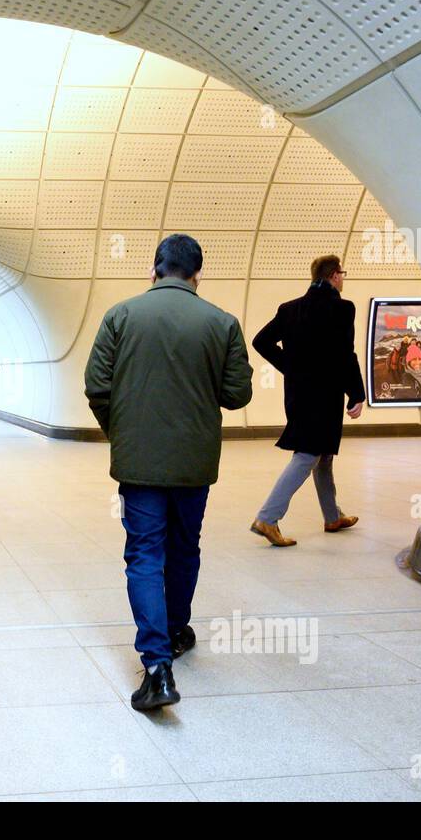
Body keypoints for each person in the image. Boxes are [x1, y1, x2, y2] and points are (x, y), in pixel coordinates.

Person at [84, 234, 252, 711]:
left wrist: (123, 432)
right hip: (194, 464)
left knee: (143, 553)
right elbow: (238, 394)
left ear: (153, 269)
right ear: (198, 273)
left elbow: (97, 385)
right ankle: (177, 629)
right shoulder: (222, 323)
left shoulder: (120, 315)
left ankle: (157, 666)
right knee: (184, 548)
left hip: (138, 465)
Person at [250, 254, 366, 547]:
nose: (343, 279)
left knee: (323, 453)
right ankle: (267, 517)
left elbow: (261, 341)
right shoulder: (342, 309)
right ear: (334, 275)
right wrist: (357, 393)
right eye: (342, 274)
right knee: (307, 455)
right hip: (325, 396)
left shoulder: (289, 309)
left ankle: (332, 516)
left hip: (298, 394)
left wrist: (289, 365)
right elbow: (346, 354)